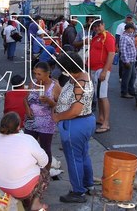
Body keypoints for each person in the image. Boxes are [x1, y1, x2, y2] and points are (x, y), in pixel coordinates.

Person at [52, 52, 95, 203]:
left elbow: (75, 110)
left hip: (75, 124)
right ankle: (88, 184)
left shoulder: (79, 84)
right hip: (84, 122)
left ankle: (78, 192)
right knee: (83, 155)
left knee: (74, 159)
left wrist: (58, 116)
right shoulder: (81, 76)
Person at [0, 112, 50, 211]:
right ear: (18, 127)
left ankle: (22, 200)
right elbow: (44, 161)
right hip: (20, 191)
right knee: (45, 173)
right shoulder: (28, 139)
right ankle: (35, 203)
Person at [24, 62, 61, 169]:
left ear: (47, 73)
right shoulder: (33, 83)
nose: (36, 76)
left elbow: (60, 106)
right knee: (29, 147)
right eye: (35, 74)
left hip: (46, 122)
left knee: (45, 148)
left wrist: (49, 101)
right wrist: (27, 108)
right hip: (31, 121)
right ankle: (30, 170)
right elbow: (25, 99)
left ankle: (45, 173)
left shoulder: (55, 87)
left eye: (39, 74)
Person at [89, 20, 115, 134]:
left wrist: (105, 71)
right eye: (95, 26)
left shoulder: (107, 37)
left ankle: (106, 123)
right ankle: (101, 118)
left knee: (103, 95)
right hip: (95, 69)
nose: (97, 28)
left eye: (99, 25)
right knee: (99, 95)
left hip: (101, 69)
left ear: (103, 25)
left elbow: (111, 54)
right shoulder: (97, 36)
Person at [119, 23, 137, 98]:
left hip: (132, 60)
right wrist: (126, 61)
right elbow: (123, 49)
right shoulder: (124, 37)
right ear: (129, 29)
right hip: (128, 60)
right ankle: (124, 92)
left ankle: (131, 90)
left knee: (133, 76)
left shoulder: (130, 36)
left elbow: (136, 32)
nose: (133, 30)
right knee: (126, 77)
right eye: (132, 29)